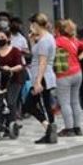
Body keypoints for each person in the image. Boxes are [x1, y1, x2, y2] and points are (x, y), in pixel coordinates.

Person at [54, 19, 83, 136]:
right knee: (75, 101)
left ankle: (69, 129)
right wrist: (79, 57)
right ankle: (77, 128)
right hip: (77, 72)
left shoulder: (58, 41)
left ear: (58, 30)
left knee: (65, 102)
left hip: (64, 74)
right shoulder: (75, 40)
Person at [26, 13, 58, 144]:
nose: (30, 27)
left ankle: (49, 129)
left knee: (31, 104)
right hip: (43, 75)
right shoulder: (47, 38)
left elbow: (42, 62)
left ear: (36, 24)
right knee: (44, 104)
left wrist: (38, 81)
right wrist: (32, 40)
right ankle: (50, 129)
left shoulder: (45, 41)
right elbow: (35, 54)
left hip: (42, 76)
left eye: (31, 24)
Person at [0, 30, 25, 122]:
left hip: (14, 80)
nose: (0, 39)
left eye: (2, 37)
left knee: (11, 101)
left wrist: (10, 69)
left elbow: (20, 65)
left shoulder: (15, 51)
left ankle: (11, 122)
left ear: (8, 38)